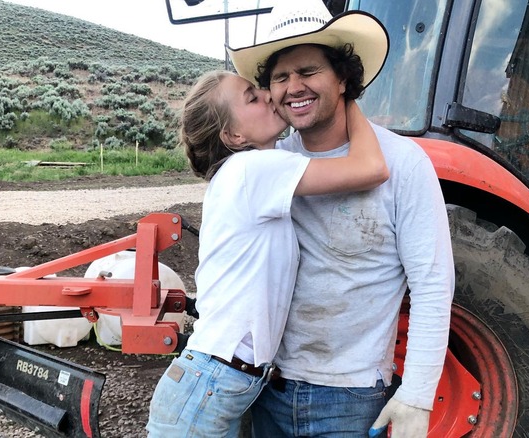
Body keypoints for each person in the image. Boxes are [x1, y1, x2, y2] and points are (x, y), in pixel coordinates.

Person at [226, 0, 455, 436]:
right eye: (280, 77)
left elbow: (432, 282)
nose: (294, 87)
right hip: (264, 385)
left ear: (343, 77)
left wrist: (417, 397)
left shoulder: (404, 164)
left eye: (308, 71)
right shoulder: (270, 166)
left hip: (350, 396)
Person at [146, 68, 389, 437]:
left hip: (213, 382)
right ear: (234, 135)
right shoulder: (252, 169)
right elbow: (372, 168)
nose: (267, 96)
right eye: (250, 97)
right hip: (208, 385)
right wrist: (343, 95)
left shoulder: (244, 174)